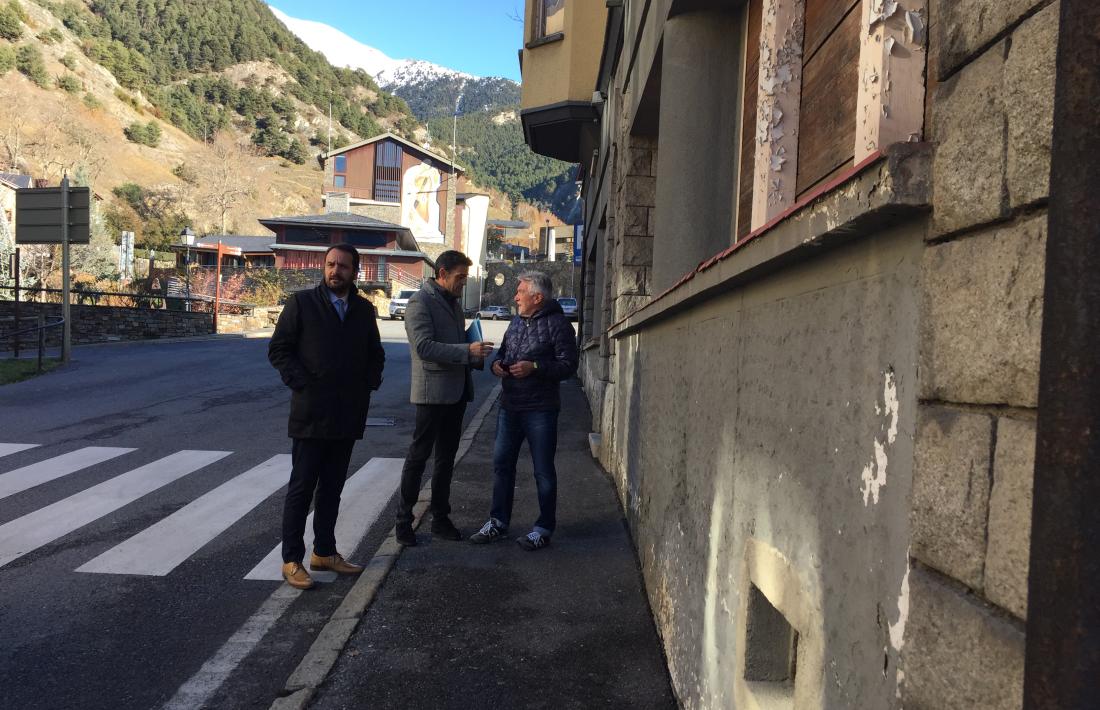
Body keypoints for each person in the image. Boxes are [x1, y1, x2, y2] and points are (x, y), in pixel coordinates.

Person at [268, 243, 385, 590]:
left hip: (347, 414)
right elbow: (279, 350)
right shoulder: (301, 304)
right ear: (324, 267)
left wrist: (368, 383)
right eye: (331, 264)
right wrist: (303, 384)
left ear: (355, 271)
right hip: (311, 413)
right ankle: (292, 560)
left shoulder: (364, 311)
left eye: (343, 266)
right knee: (301, 489)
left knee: (333, 488)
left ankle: (324, 552)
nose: (336, 271)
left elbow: (375, 354)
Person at [469, 271, 578, 551]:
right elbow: (504, 352)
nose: (515, 296)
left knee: (542, 471)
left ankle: (543, 529)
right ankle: (498, 522)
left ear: (537, 297)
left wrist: (536, 367)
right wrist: (497, 365)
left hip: (541, 409)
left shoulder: (560, 326)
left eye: (520, 292)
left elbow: (568, 366)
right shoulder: (516, 322)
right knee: (502, 466)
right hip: (510, 406)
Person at [395, 250, 494, 546]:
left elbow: (451, 340)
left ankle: (440, 517)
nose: (464, 283)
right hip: (431, 394)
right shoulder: (419, 303)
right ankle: (403, 520)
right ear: (442, 274)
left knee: (446, 460)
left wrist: (470, 346)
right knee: (418, 457)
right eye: (460, 277)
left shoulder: (452, 302)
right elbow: (424, 347)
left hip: (456, 393)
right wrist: (467, 351)